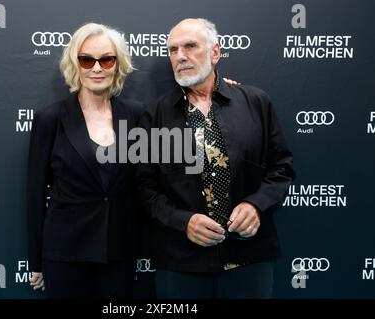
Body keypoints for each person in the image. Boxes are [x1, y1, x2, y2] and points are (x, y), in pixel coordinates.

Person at [135, 18, 295, 299]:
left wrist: (257, 205)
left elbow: (281, 167)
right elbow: (144, 187)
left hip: (249, 259)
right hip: (180, 264)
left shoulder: (256, 102)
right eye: (173, 50)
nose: (180, 56)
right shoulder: (155, 115)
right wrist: (183, 221)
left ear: (215, 53)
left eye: (190, 46)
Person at [26, 22, 143, 298]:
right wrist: (36, 261)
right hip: (65, 253)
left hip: (119, 253)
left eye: (106, 59)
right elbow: (34, 194)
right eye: (87, 59)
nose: (97, 68)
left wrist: (217, 89)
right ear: (75, 64)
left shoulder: (137, 115)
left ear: (118, 64)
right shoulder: (50, 119)